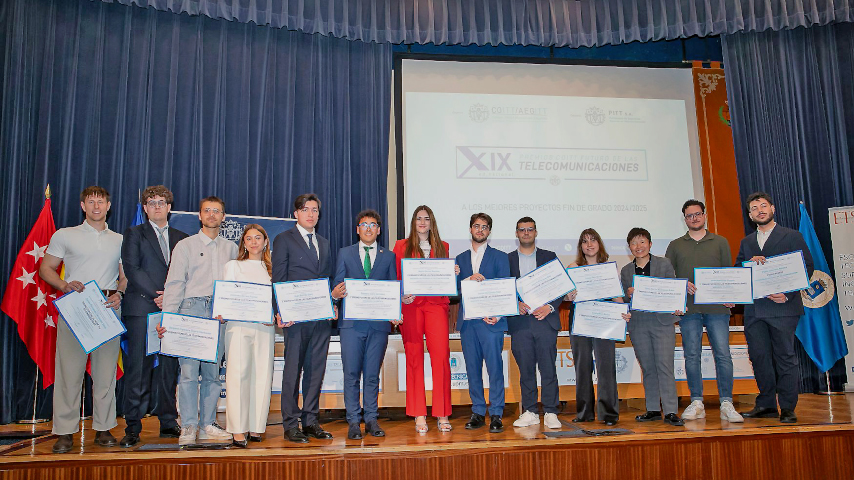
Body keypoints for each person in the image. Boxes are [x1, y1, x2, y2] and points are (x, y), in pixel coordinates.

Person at [39, 186, 126, 454]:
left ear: (109, 205)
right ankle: (65, 432)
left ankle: (103, 427)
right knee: (69, 371)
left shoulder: (120, 239)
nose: (96, 206)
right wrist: (64, 285)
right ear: (83, 205)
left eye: (101, 202)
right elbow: (45, 268)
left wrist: (121, 293)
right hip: (76, 309)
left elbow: (124, 275)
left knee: (105, 373)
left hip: (108, 309)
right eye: (91, 202)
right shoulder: (65, 235)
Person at [162, 196, 237, 445]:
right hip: (191, 310)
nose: (212, 215)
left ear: (224, 217)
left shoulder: (232, 249)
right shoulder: (185, 246)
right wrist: (170, 319)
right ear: (200, 215)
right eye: (207, 211)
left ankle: (207, 423)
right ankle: (189, 426)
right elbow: (174, 283)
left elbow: (237, 286)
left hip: (219, 313)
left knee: (213, 373)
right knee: (188, 373)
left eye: (217, 211)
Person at [119, 185, 189, 447]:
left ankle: (169, 422)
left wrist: (170, 299)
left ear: (169, 207)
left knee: (169, 369)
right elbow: (132, 269)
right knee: (138, 369)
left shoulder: (183, 238)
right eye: (151, 203)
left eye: (162, 202)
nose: (157, 206)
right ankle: (133, 426)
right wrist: (157, 295)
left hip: (173, 311)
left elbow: (186, 273)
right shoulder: (134, 234)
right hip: (142, 309)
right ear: (145, 208)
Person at [736, 192, 814, 423]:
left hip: (783, 307)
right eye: (754, 208)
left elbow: (807, 267)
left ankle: (788, 407)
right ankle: (767, 404)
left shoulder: (792, 236)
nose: (760, 210)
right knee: (759, 357)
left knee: (785, 357)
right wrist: (747, 264)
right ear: (750, 215)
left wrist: (788, 294)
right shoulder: (747, 242)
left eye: (763, 206)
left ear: (773, 209)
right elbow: (739, 269)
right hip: (755, 310)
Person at [272, 193, 343, 443]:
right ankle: (291, 424)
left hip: (321, 318)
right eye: (305, 209)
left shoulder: (324, 242)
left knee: (315, 371)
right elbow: (279, 277)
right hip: (295, 318)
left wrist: (332, 303)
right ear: (296, 214)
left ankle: (311, 420)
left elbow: (327, 279)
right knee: (293, 371)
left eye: (315, 210)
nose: (311, 214)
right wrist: (279, 310)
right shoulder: (283, 239)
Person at [665, 199, 743, 423]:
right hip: (689, 310)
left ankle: (726, 402)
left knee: (723, 354)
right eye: (689, 216)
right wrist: (682, 284)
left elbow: (729, 274)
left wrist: (731, 296)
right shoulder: (675, 245)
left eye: (697, 214)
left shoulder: (720, 242)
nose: (694, 218)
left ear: (705, 215)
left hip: (717, 309)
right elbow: (669, 278)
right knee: (691, 355)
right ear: (684, 219)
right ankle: (696, 401)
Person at [332, 209, 398, 440]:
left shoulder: (388, 256)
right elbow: (338, 283)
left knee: (372, 375)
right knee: (351, 374)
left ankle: (371, 418)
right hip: (351, 324)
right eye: (364, 224)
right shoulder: (344, 253)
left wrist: (395, 310)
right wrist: (335, 294)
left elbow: (392, 288)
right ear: (357, 229)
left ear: (379, 230)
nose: (368, 228)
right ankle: (353, 420)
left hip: (378, 325)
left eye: (373, 224)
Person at [393, 205, 452, 433]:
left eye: (427, 219)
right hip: (411, 308)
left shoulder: (443, 246)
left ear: (432, 222)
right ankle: (419, 413)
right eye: (419, 218)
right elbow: (396, 277)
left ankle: (443, 413)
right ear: (413, 222)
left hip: (436, 307)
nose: (422, 222)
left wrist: (452, 273)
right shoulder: (402, 246)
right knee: (414, 360)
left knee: (441, 359)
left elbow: (445, 280)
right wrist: (401, 297)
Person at [620, 227, 684, 426]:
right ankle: (653, 409)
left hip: (662, 322)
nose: (638, 247)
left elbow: (672, 289)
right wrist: (628, 295)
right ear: (629, 247)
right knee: (647, 368)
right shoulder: (626, 270)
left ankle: (671, 410)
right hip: (638, 324)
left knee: (665, 366)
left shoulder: (664, 264)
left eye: (642, 242)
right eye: (634, 243)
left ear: (650, 244)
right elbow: (622, 299)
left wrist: (677, 306)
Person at [454, 213, 511, 433]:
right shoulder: (459, 259)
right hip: (469, 323)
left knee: (495, 368)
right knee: (472, 369)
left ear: (489, 231)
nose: (480, 230)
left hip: (491, 322)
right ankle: (478, 411)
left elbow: (506, 289)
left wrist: (499, 315)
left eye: (484, 227)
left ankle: (496, 413)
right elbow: (452, 293)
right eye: (476, 226)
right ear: (470, 229)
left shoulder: (500, 257)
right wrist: (465, 280)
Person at [507, 217, 564, 430]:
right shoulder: (508, 259)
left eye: (530, 229)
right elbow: (504, 288)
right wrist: (515, 303)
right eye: (522, 230)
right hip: (521, 323)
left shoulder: (550, 257)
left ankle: (550, 411)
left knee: (548, 368)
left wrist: (549, 306)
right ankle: (530, 411)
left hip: (545, 320)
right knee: (526, 370)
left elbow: (562, 286)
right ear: (517, 233)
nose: (526, 233)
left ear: (536, 232)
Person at [222, 224, 275, 447]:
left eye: (258, 238)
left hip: (264, 327)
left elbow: (277, 300)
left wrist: (273, 314)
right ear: (243, 243)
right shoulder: (233, 266)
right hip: (238, 326)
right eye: (249, 238)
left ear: (265, 242)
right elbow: (226, 296)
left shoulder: (272, 269)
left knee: (262, 376)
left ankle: (256, 426)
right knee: (237, 376)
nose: (254, 242)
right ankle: (237, 430)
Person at [566, 228, 620, 426]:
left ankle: (609, 414)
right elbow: (566, 296)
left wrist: (623, 310)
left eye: (593, 240)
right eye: (585, 241)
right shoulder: (573, 266)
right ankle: (584, 412)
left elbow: (616, 295)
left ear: (599, 244)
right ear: (580, 246)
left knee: (606, 367)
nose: (589, 244)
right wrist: (568, 295)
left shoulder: (608, 268)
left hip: (604, 319)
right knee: (582, 366)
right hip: (580, 320)